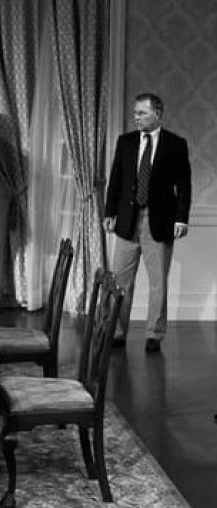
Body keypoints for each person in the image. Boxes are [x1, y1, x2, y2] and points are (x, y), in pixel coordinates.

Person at [103, 92, 191, 354]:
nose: (136, 117)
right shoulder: (126, 142)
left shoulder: (176, 144)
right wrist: (109, 212)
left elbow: (184, 185)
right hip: (128, 221)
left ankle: (154, 334)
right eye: (135, 113)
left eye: (141, 113)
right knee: (120, 281)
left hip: (159, 221)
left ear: (157, 114)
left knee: (157, 283)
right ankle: (116, 332)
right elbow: (116, 179)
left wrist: (181, 219)